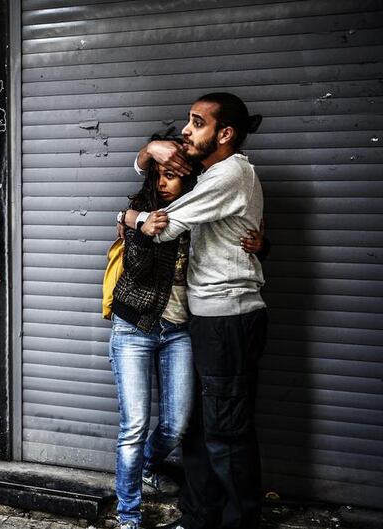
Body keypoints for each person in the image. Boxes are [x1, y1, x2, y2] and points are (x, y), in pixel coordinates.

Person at [123, 93, 267, 529]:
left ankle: (240, 522)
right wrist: (149, 151)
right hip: (206, 317)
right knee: (203, 432)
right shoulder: (211, 173)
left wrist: (127, 216)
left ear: (225, 134)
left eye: (196, 123)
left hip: (230, 317)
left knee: (225, 432)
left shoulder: (230, 173)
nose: (186, 131)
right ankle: (198, 517)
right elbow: (156, 165)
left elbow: (161, 226)